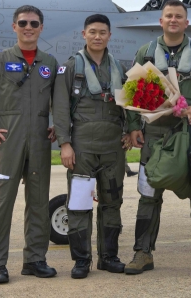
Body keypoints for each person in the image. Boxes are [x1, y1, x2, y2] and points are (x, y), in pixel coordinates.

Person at [125, 0, 191, 276]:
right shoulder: (146, 52)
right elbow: (131, 92)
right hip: (155, 136)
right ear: (161, 21)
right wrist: (133, 127)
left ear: (186, 22)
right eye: (169, 16)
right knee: (148, 195)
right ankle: (142, 253)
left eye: (179, 16)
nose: (173, 20)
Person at [0, 5, 58, 284]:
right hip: (8, 141)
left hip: (40, 142)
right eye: (23, 23)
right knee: (1, 202)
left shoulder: (50, 64)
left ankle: (35, 259)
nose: (28, 27)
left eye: (33, 23)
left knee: (39, 203)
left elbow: (61, 100)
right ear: (14, 27)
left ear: (41, 27)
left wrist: (57, 125)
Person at [53, 14, 128, 279]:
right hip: (82, 146)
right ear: (84, 34)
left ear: (109, 36)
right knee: (80, 204)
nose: (98, 36)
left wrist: (131, 131)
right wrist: (65, 144)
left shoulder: (119, 67)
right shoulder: (71, 67)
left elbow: (129, 105)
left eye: (103, 32)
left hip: (113, 148)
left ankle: (109, 257)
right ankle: (82, 260)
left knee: (112, 203)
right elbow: (60, 108)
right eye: (93, 32)